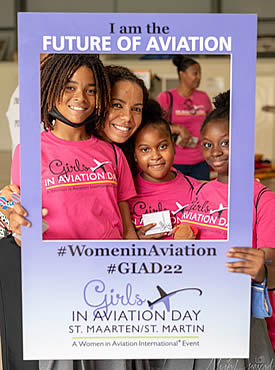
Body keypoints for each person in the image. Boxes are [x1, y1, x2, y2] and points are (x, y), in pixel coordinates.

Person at [0, 55, 151, 370]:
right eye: (69, 87)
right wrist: (14, 224)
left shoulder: (111, 153)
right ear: (51, 90)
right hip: (57, 288)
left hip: (112, 290)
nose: (80, 97)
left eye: (91, 90)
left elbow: (126, 230)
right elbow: (20, 219)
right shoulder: (28, 151)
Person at [186, 90, 275, 353]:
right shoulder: (199, 192)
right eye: (207, 143)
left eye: (225, 143)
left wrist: (261, 265)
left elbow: (270, 261)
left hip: (247, 320)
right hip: (202, 312)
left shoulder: (262, 199)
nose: (215, 152)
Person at [127, 99, 199, 240]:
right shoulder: (127, 192)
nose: (155, 156)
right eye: (145, 149)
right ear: (135, 155)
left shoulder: (195, 189)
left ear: (173, 146)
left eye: (162, 146)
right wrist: (136, 238)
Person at [156, 55, 212, 181]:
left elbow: (211, 124)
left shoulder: (203, 97)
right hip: (175, 161)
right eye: (195, 73)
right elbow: (155, 127)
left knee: (202, 198)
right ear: (182, 74)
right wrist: (177, 128)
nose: (199, 77)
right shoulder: (166, 97)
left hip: (201, 161)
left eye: (200, 73)